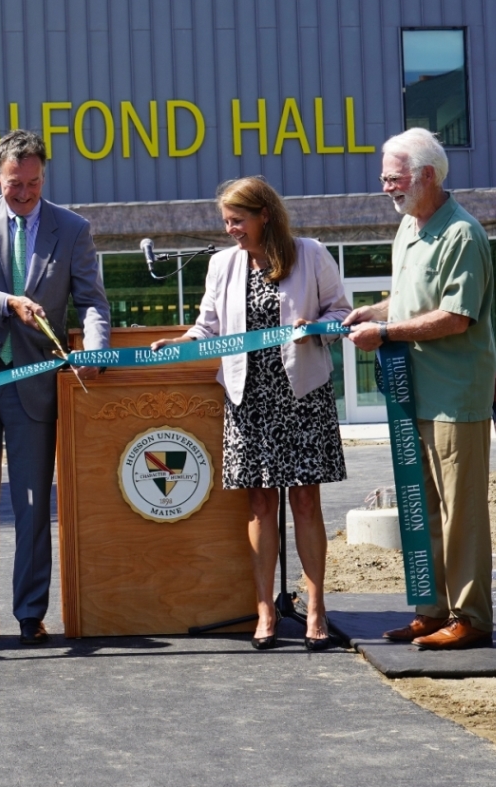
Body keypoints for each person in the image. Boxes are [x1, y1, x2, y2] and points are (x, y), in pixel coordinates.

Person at [151, 177, 350, 651]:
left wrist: (315, 328)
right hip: (247, 401)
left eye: (237, 220)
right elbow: (208, 327)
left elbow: (343, 315)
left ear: (265, 215)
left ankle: (316, 608)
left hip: (301, 397)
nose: (230, 230)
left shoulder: (312, 253)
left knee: (305, 502)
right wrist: (181, 344)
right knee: (259, 504)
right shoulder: (222, 264)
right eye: (226, 222)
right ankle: (264, 610)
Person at [0, 129, 110, 647]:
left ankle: (30, 614)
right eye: (15, 184)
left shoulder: (73, 228)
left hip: (35, 384)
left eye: (34, 183)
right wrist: (7, 301)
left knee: (35, 505)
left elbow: (93, 302)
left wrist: (96, 349)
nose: (25, 193)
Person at [345, 128, 496, 650]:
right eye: (385, 178)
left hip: (456, 396)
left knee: (462, 516)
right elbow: (414, 300)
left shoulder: (463, 234)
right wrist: (375, 311)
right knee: (424, 508)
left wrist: (384, 333)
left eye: (393, 177)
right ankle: (432, 612)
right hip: (415, 392)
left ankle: (471, 618)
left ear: (425, 176)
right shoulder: (409, 228)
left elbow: (455, 316)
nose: (385, 187)